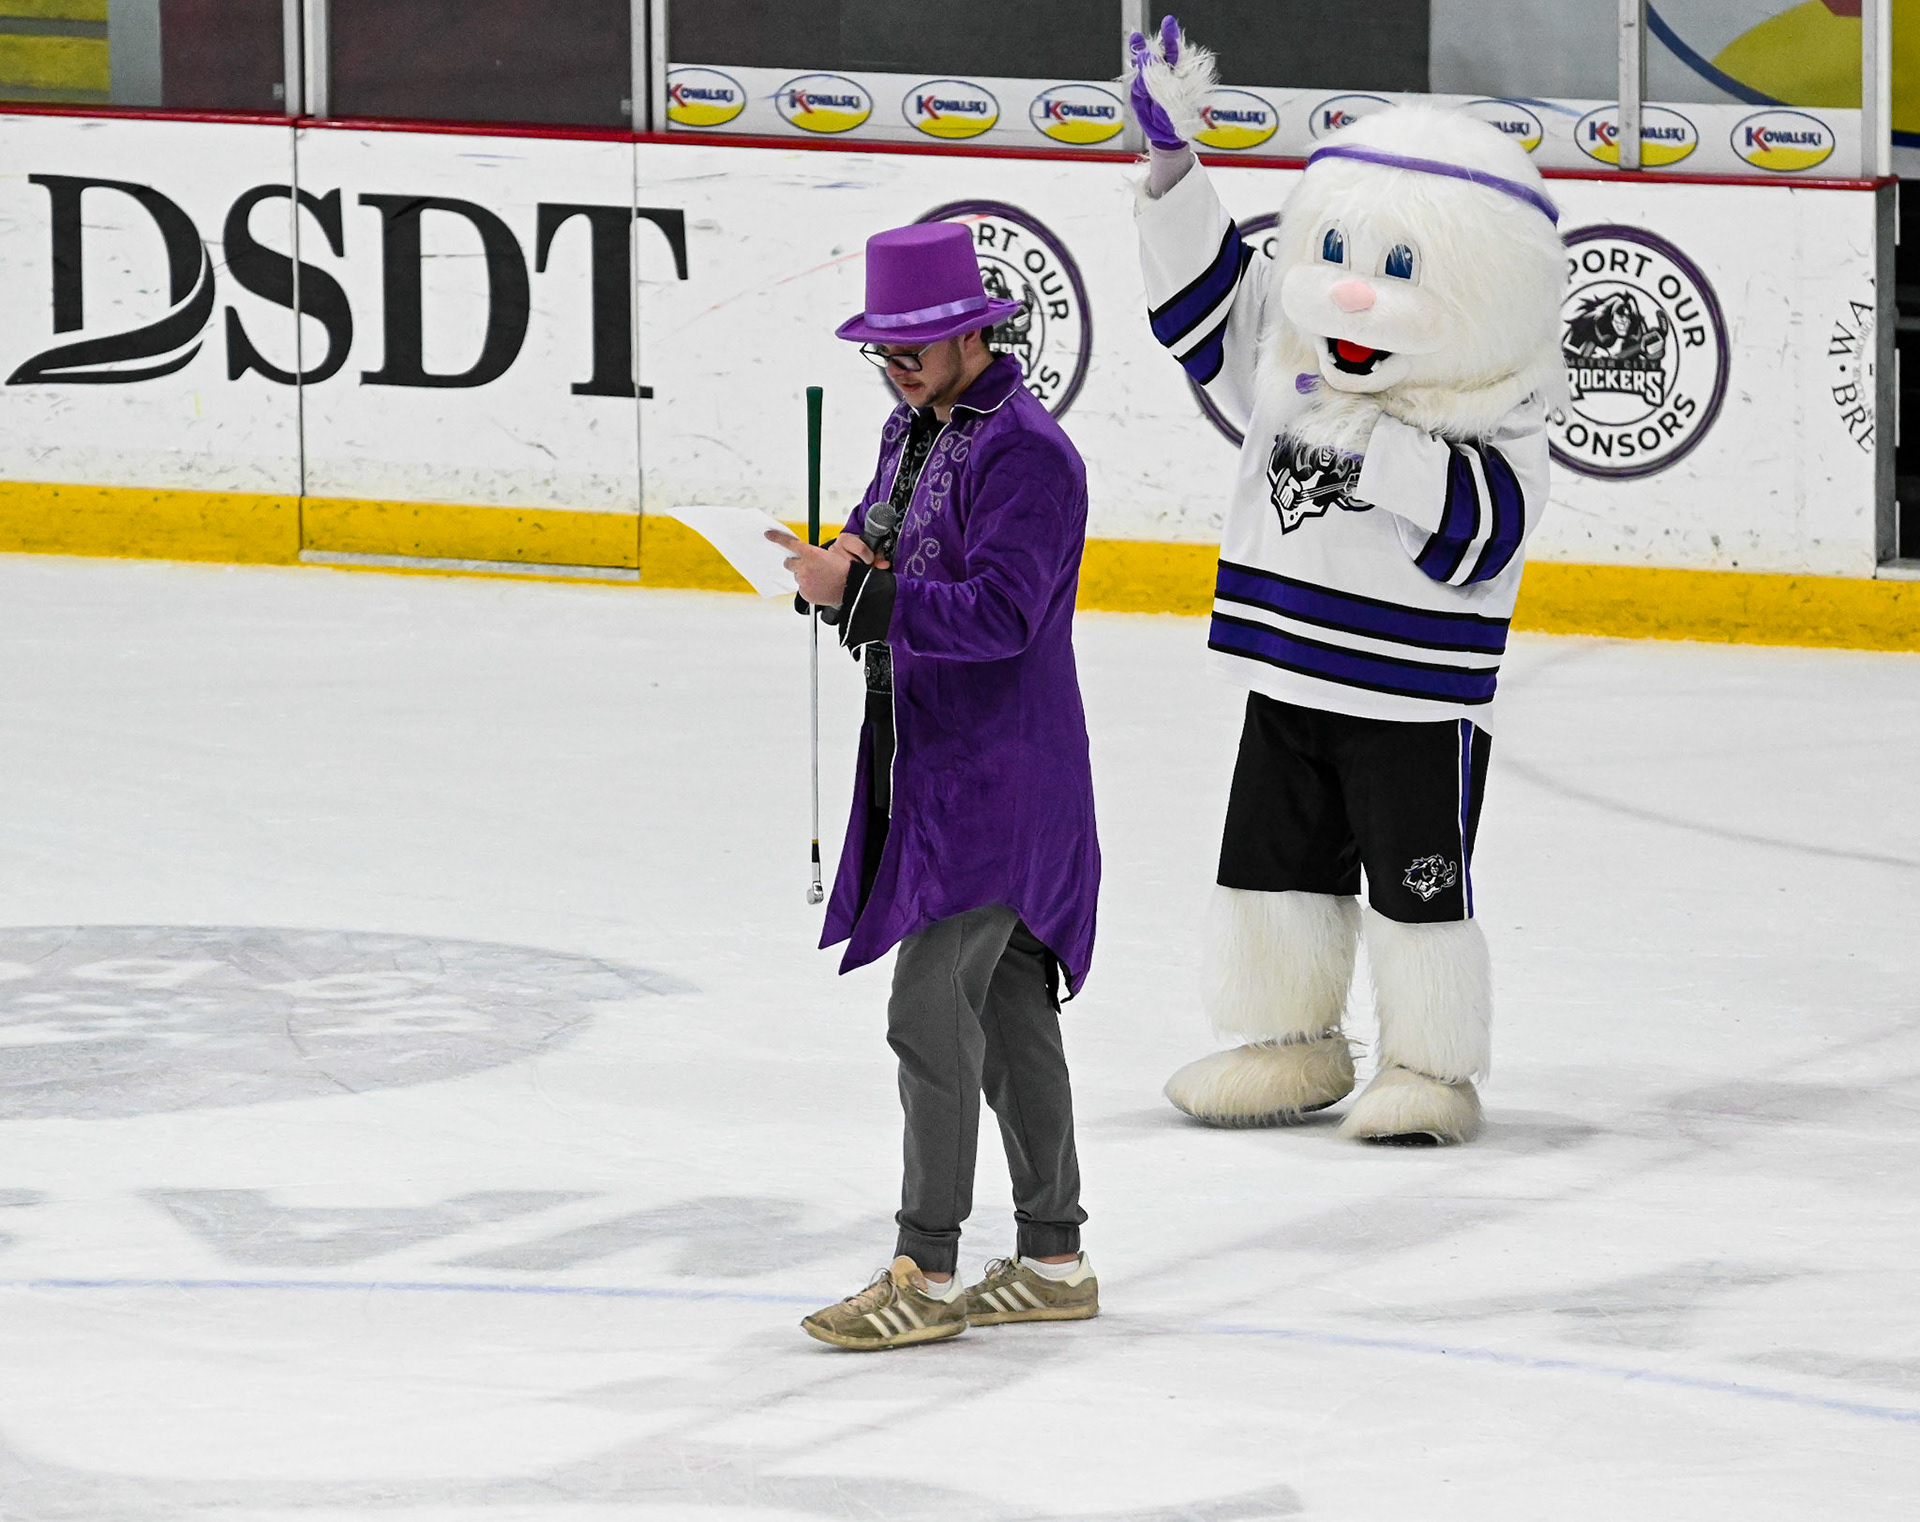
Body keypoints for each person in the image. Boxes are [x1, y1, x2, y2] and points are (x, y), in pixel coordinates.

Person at [1127, 19, 1563, 1143]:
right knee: (1272, 870)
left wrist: (1385, 448)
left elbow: (1487, 530)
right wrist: (1173, 166)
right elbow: (1212, 305)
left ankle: (1430, 1065)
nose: (1358, 298)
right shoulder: (1295, 348)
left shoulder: (1502, 400)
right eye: (1343, 258)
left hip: (1414, 701)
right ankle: (1290, 1041)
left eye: (1402, 269)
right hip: (1287, 674)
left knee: (1417, 891)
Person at [767, 221, 1102, 1350]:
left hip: (999, 774)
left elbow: (1005, 613)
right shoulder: (909, 427)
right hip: (934, 756)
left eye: (916, 346)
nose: (899, 365)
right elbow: (890, 540)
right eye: (885, 349)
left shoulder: (1030, 455)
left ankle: (928, 1266)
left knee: (928, 1010)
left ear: (973, 332)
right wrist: (847, 564)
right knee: (1007, 1014)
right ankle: (1053, 1259)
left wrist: (863, 596)